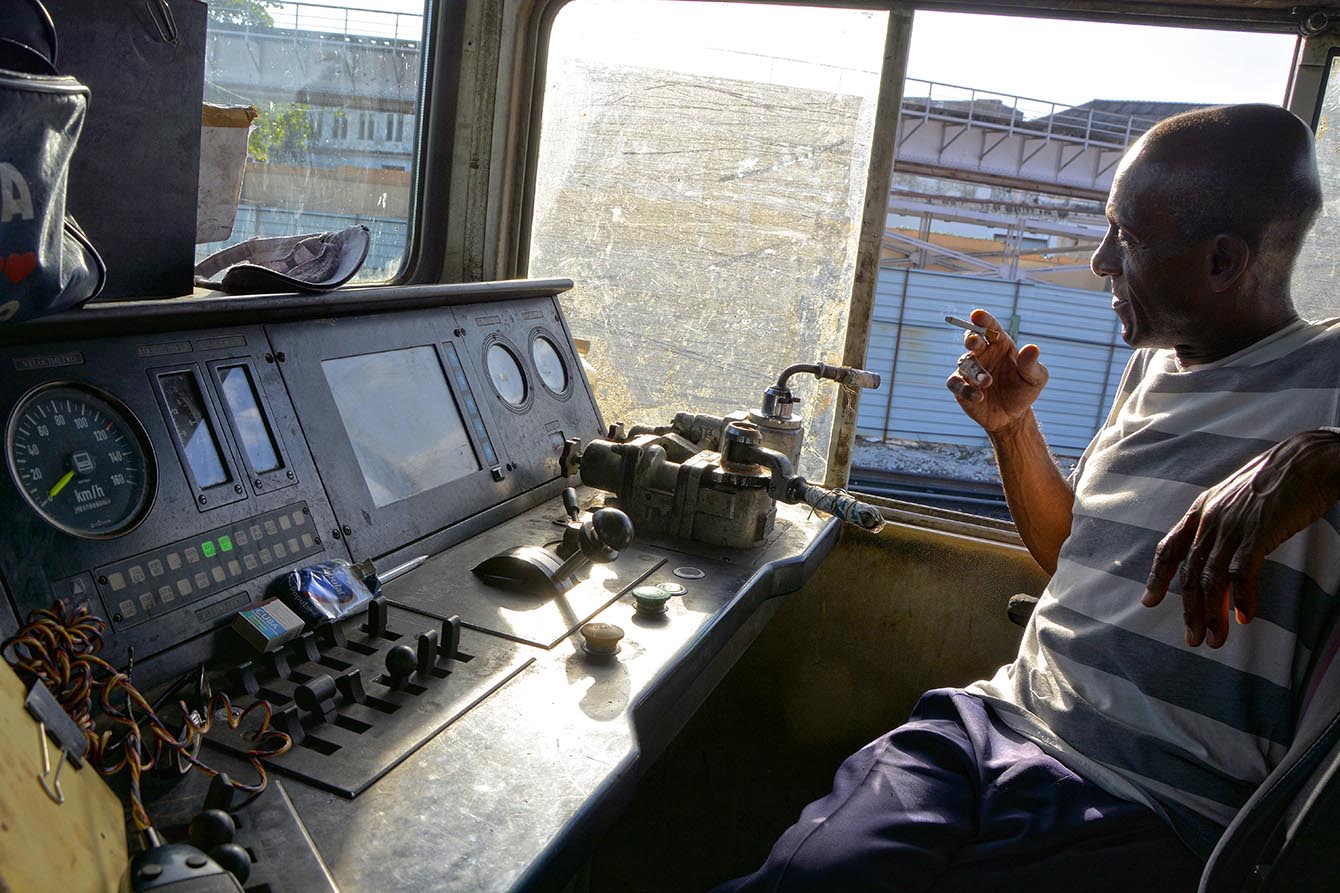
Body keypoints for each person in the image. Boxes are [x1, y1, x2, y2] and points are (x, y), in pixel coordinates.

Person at [712, 103, 1340, 892]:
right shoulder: (1151, 367)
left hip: (1153, 802)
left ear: (1222, 260)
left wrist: (1325, 456)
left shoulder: (1332, 373)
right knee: (811, 875)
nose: (1099, 263)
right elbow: (1072, 556)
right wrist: (1014, 431)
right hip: (991, 725)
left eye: (1128, 239)